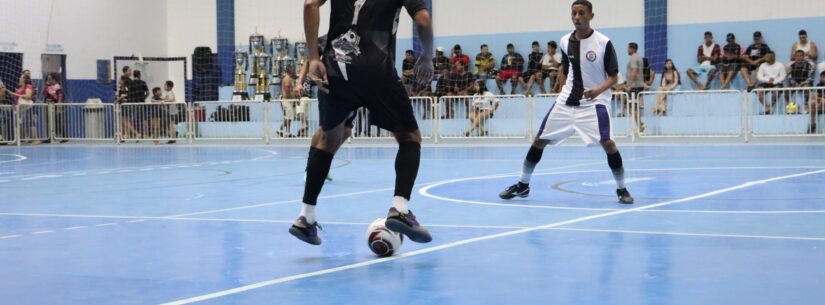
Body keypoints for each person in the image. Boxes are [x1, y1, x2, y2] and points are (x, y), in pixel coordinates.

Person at [293, 0, 435, 245]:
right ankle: (399, 209)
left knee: (328, 139)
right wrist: (427, 57)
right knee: (410, 138)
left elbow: (309, 5)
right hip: (375, 70)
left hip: (334, 68)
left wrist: (314, 58)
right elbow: (423, 20)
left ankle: (305, 218)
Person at [499, 0, 634, 204]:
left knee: (608, 143)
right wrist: (559, 87)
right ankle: (522, 185)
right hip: (566, 101)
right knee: (539, 141)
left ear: (591, 16)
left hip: (594, 103)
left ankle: (622, 189)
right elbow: (566, 68)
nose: (577, 17)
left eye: (581, 13)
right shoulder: (564, 41)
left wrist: (597, 91)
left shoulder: (603, 42)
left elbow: (614, 77)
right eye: (573, 13)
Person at [6, 71, 40, 145]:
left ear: (24, 79)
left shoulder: (28, 86)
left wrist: (14, 94)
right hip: (20, 108)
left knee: (31, 123)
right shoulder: (21, 87)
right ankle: (17, 140)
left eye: (21, 77)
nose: (20, 78)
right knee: (18, 123)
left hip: (27, 108)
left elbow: (28, 95)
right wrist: (12, 95)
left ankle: (36, 139)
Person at [626, 42, 645, 132]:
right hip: (639, 85)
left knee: (632, 108)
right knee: (634, 107)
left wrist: (629, 85)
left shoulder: (633, 58)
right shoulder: (639, 57)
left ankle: (640, 125)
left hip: (635, 86)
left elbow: (634, 71)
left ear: (632, 49)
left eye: (628, 48)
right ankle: (640, 124)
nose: (627, 50)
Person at [277, 64, 301, 137]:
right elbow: (288, 91)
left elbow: (290, 91)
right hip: (285, 100)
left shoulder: (289, 78)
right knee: (288, 116)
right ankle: (280, 130)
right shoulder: (287, 79)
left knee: (289, 117)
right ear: (289, 70)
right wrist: (296, 96)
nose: (293, 71)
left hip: (287, 100)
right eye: (292, 69)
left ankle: (287, 132)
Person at [44, 73, 68, 143]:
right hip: (50, 107)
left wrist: (58, 107)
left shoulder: (58, 87)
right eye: (47, 79)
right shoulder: (48, 87)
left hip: (57, 107)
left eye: (49, 79)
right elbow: (47, 97)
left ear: (54, 79)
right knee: (49, 122)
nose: (48, 80)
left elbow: (60, 97)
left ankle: (64, 137)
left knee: (59, 122)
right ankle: (50, 138)